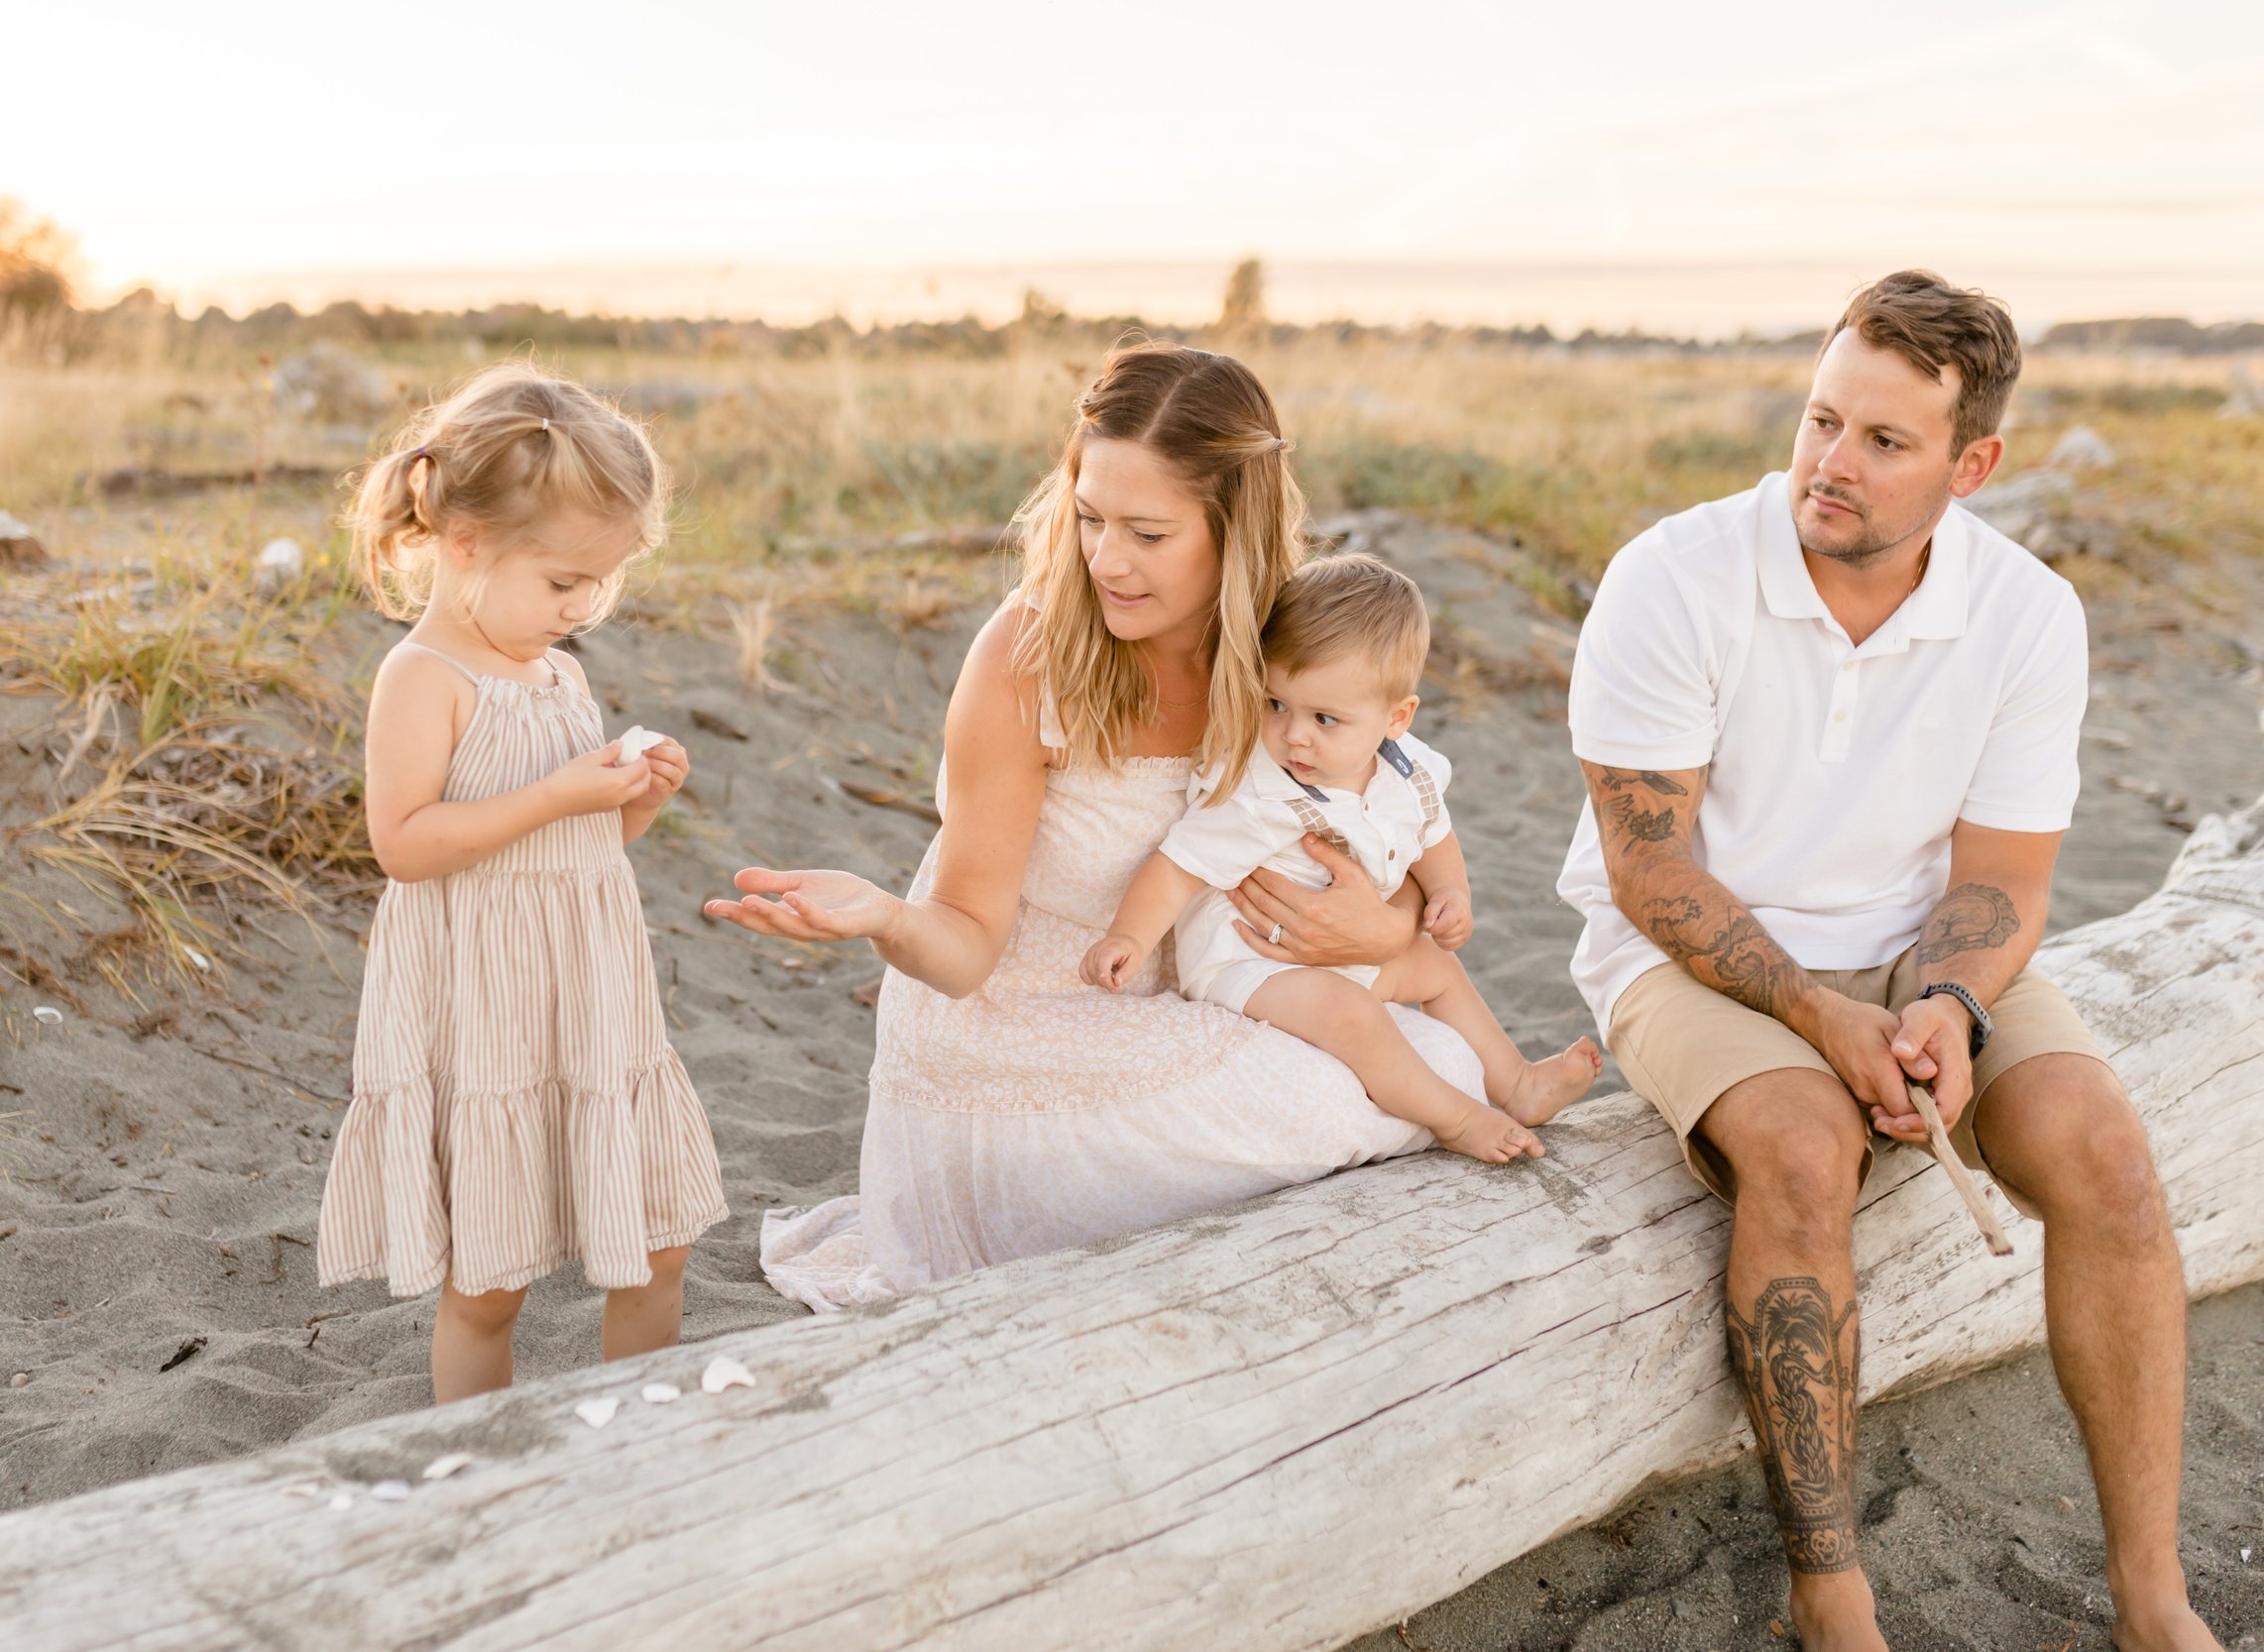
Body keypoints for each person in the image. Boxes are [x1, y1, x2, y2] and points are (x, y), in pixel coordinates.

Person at [1557, 272, 2220, 1652]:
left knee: (2102, 1146)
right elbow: (1651, 869)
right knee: (1802, 1146)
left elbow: (2003, 879)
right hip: (1694, 953)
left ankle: (2154, 1596)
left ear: (1972, 464)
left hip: (1922, 951)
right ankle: (1833, 1591)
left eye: (1881, 441)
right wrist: (1813, 1013)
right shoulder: (1672, 577)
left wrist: (1949, 1005)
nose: (1828, 465)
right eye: (1820, 420)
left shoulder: (2028, 613)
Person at [709, 343, 1491, 1309]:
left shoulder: (1292, 653)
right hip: (1024, 1034)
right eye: (1088, 519)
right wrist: (882, 916)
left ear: (1232, 530)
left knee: (1445, 1060)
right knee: (1363, 1086)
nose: (1106, 560)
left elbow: (1387, 814)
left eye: (1147, 533)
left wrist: (1395, 924)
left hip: (1214, 999)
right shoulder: (1025, 657)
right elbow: (960, 944)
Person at [315, 363, 726, 1404]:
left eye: (600, 582)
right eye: (561, 582)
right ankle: (486, 1458)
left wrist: (633, 799)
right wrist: (555, 794)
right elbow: (403, 842)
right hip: (486, 1009)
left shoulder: (559, 670)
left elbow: (575, 851)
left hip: (588, 995)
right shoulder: (424, 676)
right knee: (490, 1281)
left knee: (657, 1241)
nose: (582, 606)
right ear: (466, 547)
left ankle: (642, 1435)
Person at [1080, 554, 1596, 1161]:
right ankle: (1456, 1118)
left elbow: (1433, 838)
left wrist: (1452, 893)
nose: (1295, 735)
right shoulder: (1257, 789)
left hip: (1345, 950)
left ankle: (1516, 1083)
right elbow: (1175, 868)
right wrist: (1128, 938)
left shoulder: (1411, 774)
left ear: (1395, 719)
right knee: (1350, 1012)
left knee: (1436, 966)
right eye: (1276, 705)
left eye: (1325, 718)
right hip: (1248, 961)